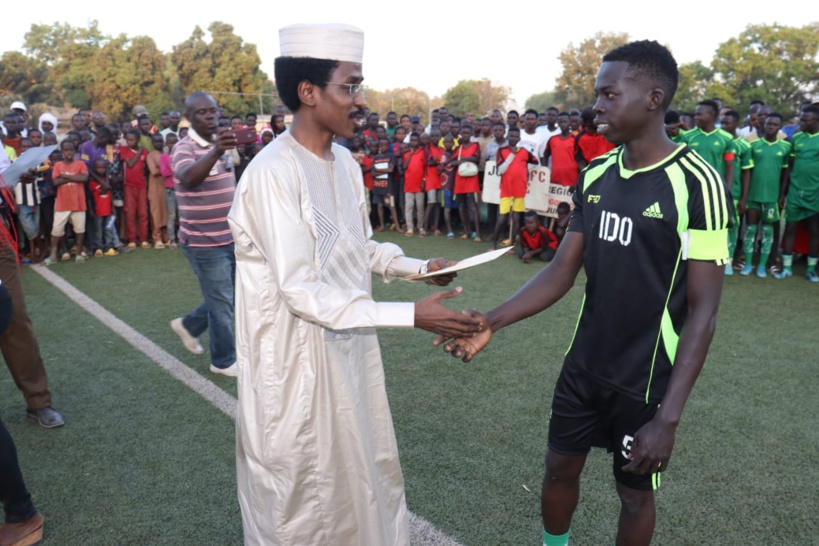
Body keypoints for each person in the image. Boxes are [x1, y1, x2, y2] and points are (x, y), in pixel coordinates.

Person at [438, 40, 729, 546]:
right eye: (598, 95)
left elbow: (704, 312)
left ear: (653, 99)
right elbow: (561, 271)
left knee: (634, 495)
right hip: (584, 367)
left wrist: (669, 418)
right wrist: (493, 320)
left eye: (609, 94)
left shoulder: (697, 183)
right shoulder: (596, 174)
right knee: (557, 471)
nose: (597, 107)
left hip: (645, 381)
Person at [227, 23, 481, 545]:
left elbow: (356, 247)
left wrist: (417, 268)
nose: (360, 101)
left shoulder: (342, 162)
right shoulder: (272, 172)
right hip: (293, 364)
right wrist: (410, 314)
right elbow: (300, 291)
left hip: (349, 350)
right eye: (350, 87)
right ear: (308, 92)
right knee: (302, 501)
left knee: (363, 478)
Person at [170, 91, 238, 376]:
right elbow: (188, 178)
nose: (210, 116)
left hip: (232, 237)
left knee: (227, 296)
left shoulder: (219, 142)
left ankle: (189, 325)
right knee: (222, 303)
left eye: (213, 110)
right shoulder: (184, 148)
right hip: (204, 243)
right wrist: (216, 151)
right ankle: (223, 361)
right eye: (202, 112)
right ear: (189, 118)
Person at [743, 113, 790, 277]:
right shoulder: (753, 145)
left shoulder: (785, 147)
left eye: (775, 125)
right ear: (764, 125)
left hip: (771, 198)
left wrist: (781, 194)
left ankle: (762, 266)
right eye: (769, 124)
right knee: (750, 230)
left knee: (768, 232)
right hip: (753, 196)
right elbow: (747, 172)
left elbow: (786, 173)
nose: (771, 127)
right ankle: (748, 264)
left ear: (779, 127)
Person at [776, 105, 819, 281]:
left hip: (815, 193)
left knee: (814, 230)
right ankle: (786, 267)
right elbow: (789, 167)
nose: (800, 122)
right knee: (791, 227)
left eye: (804, 119)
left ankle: (810, 270)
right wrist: (782, 193)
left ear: (816, 121)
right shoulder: (797, 138)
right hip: (795, 191)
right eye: (800, 118)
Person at [491, 127, 538, 249]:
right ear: (507, 137)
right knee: (502, 217)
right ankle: (494, 243)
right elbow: (501, 169)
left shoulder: (524, 152)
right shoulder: (501, 150)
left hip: (520, 189)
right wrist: (510, 158)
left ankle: (511, 244)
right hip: (506, 189)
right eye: (511, 136)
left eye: (516, 136)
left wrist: (525, 170)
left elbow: (535, 162)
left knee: (516, 218)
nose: (513, 138)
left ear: (519, 138)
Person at [44, 140, 89, 265]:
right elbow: (56, 182)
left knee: (79, 229)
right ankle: (53, 255)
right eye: (66, 150)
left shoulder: (80, 164)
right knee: (56, 230)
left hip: (78, 203)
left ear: (75, 151)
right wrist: (75, 177)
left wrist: (65, 176)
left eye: (71, 150)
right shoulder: (58, 165)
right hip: (62, 204)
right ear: (62, 151)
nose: (69, 152)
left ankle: (79, 254)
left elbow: (84, 178)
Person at [720, 110, 753, 268]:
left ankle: (729, 260)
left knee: (732, 226)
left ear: (737, 124)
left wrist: (744, 198)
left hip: (734, 193)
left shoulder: (745, 145)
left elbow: (747, 172)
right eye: (723, 123)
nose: (724, 126)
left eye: (728, 123)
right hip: (717, 191)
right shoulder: (719, 140)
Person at [450, 124, 481, 241]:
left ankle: (477, 233)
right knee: (461, 205)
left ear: (471, 133)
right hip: (460, 178)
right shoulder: (459, 148)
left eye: (468, 133)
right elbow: (451, 162)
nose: (465, 135)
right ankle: (466, 231)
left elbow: (477, 158)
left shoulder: (475, 145)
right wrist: (459, 161)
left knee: (473, 205)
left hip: (472, 178)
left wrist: (461, 160)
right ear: (461, 134)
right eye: (464, 133)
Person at [120, 130, 150, 248]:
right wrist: (139, 153)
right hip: (129, 185)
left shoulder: (145, 152)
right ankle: (131, 239)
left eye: (131, 139)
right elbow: (130, 164)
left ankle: (143, 239)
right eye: (128, 139)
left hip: (141, 185)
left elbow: (147, 167)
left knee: (143, 212)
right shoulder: (125, 150)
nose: (129, 142)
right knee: (130, 213)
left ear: (138, 140)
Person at [542, 112, 580, 189]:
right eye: (560, 122)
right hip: (554, 180)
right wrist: (545, 172)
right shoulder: (552, 139)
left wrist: (579, 181)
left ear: (569, 123)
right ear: (558, 123)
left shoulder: (576, 140)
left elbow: (581, 161)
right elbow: (545, 156)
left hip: (572, 181)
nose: (563, 124)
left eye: (565, 122)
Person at [146, 134, 168, 248]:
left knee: (166, 211)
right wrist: (165, 168)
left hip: (166, 185)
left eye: (160, 141)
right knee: (156, 211)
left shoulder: (166, 154)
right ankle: (157, 238)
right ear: (152, 143)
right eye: (156, 141)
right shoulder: (150, 155)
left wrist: (161, 167)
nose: (158, 143)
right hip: (154, 186)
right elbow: (154, 171)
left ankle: (166, 237)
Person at [402, 133, 426, 236]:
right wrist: (410, 154)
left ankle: (420, 226)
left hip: (419, 184)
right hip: (408, 185)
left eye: (415, 140)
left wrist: (424, 181)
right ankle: (410, 228)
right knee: (409, 207)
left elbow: (425, 168)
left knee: (420, 206)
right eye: (412, 140)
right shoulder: (407, 153)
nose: (413, 142)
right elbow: (404, 166)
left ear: (419, 141)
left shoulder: (423, 153)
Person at [161, 134, 179, 248]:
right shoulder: (164, 157)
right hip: (170, 190)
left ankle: (182, 238)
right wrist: (176, 168)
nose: (173, 145)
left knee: (182, 215)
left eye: (175, 142)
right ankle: (172, 239)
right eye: (170, 142)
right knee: (172, 215)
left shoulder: (180, 155)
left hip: (181, 189)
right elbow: (164, 173)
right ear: (166, 144)